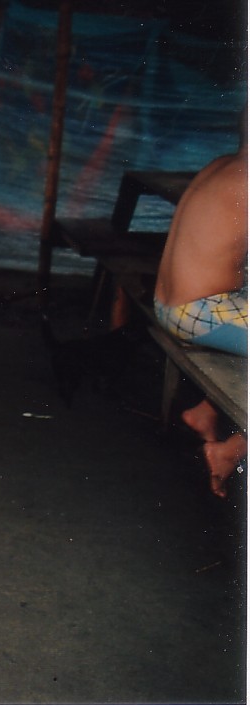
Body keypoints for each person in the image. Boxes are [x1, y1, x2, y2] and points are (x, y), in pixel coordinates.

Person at [153, 121, 247, 498]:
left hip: (171, 304)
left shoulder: (225, 165)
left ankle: (207, 409)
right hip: (199, 312)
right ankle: (233, 449)